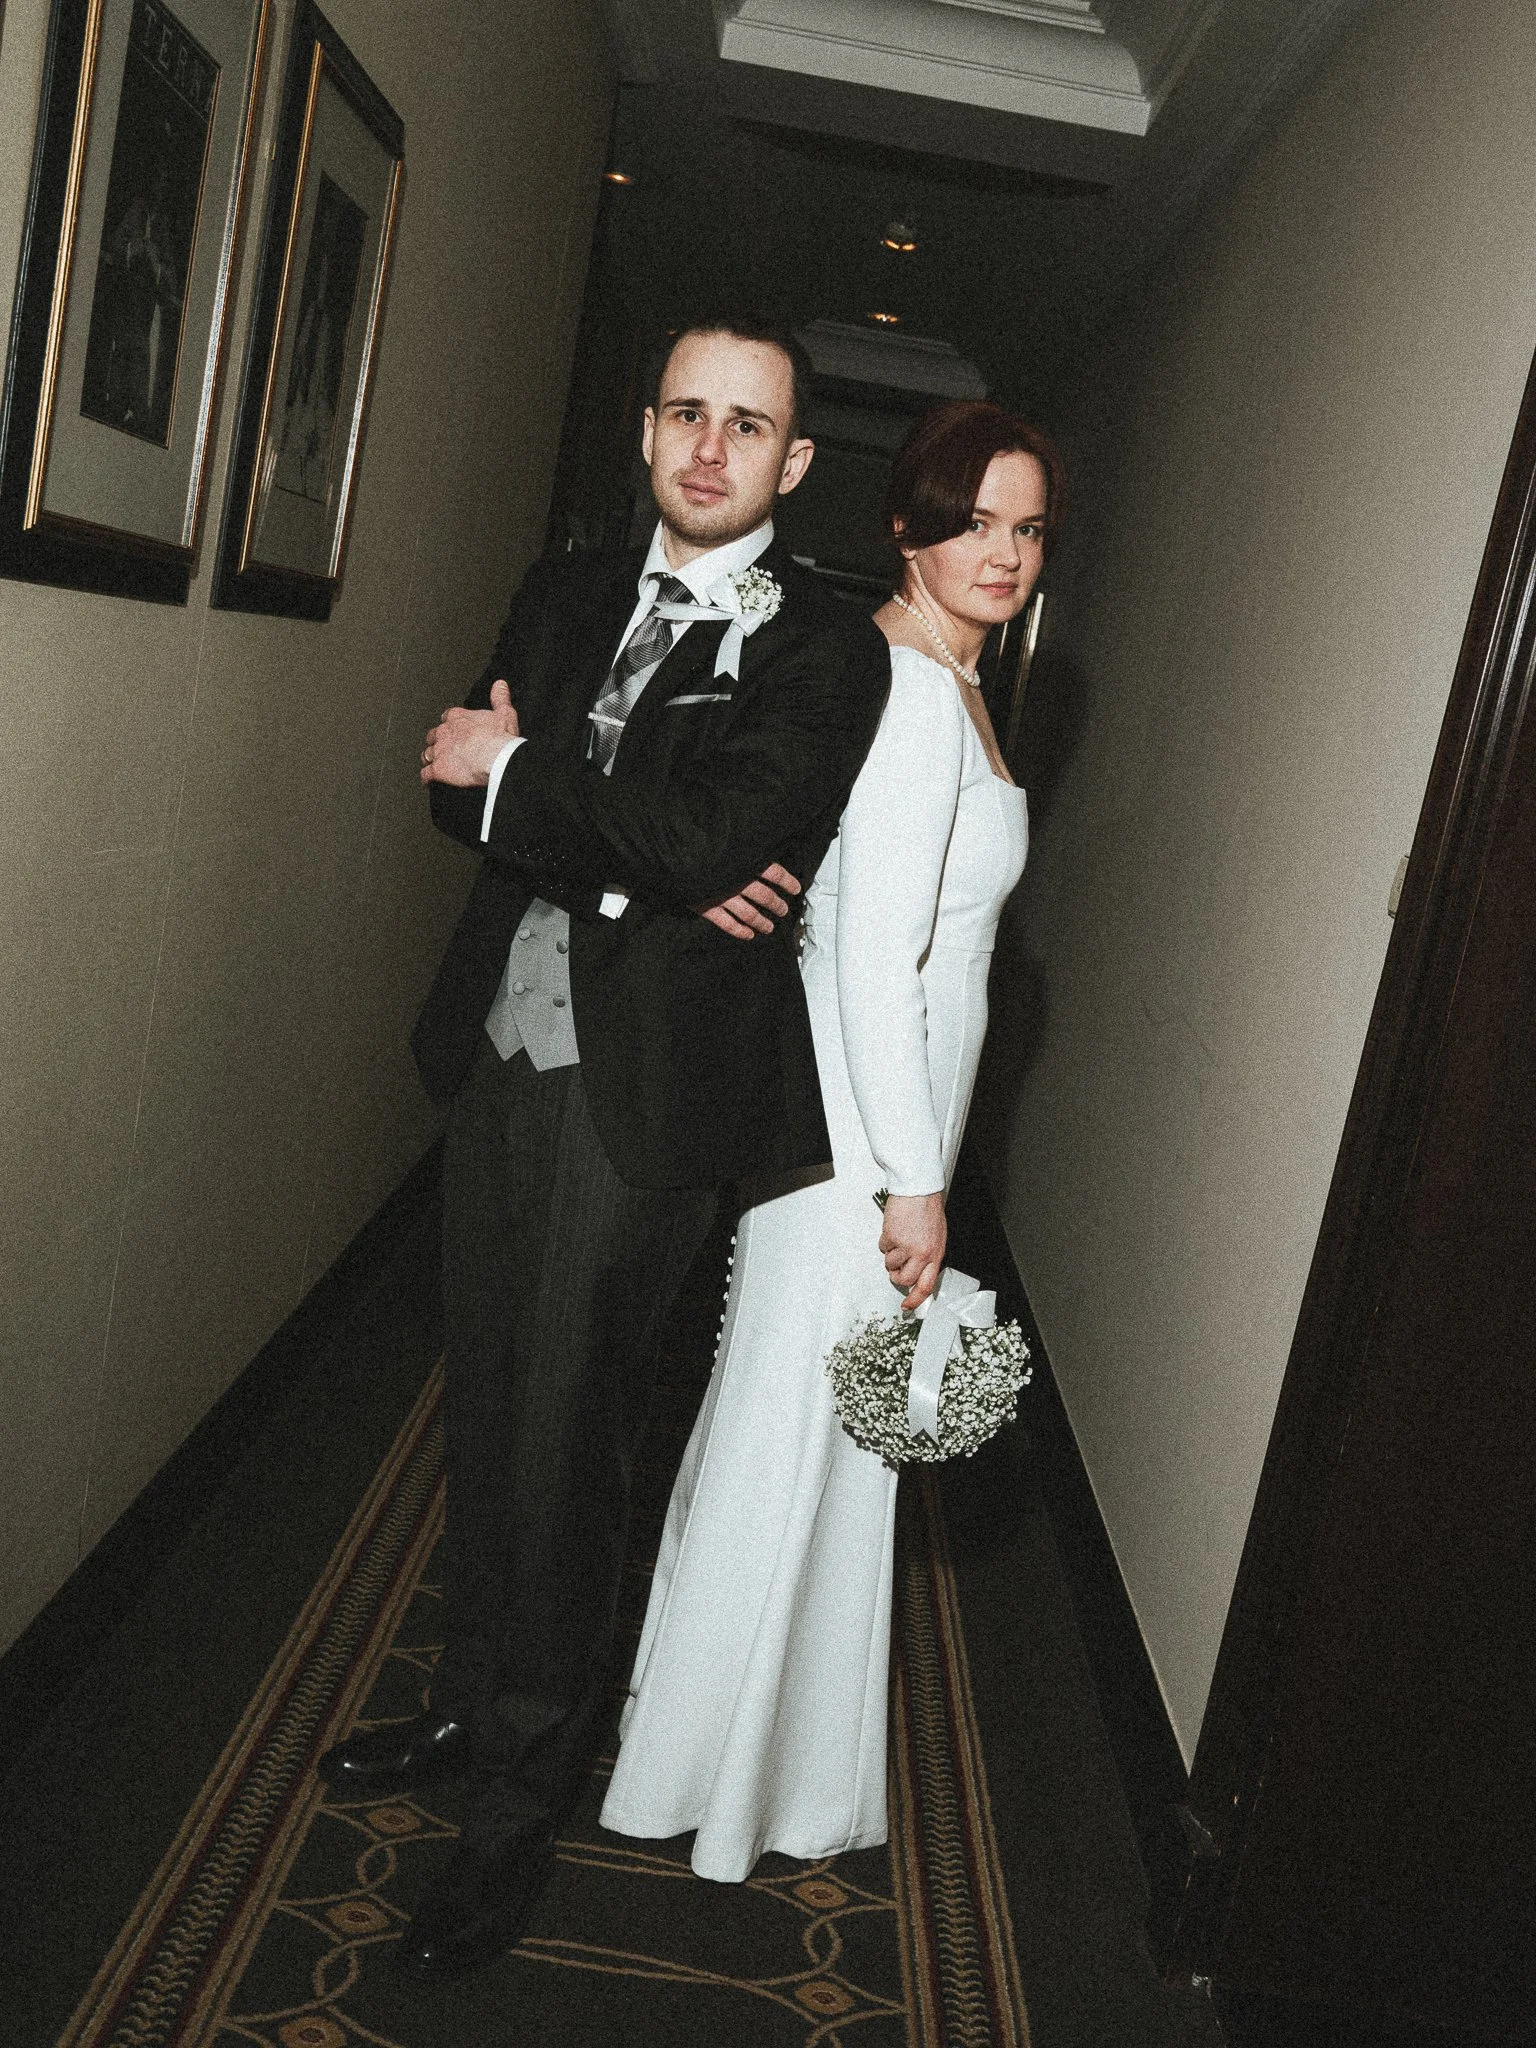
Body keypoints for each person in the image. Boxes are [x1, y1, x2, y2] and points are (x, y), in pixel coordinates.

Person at [316, 317, 890, 1977]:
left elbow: (705, 832)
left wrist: (548, 794)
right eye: (687, 414)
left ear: (793, 464)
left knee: (568, 1449)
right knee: (486, 1402)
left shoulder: (821, 653)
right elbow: (454, 787)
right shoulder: (565, 592)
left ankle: (507, 1825)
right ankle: (456, 1707)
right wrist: (635, 858)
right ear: (649, 430)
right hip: (500, 1053)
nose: (712, 449)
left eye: (750, 426)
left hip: (637, 1105)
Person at [599, 399, 1065, 1880]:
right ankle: (710, 1784)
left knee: (812, 1446)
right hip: (862, 1153)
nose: (1002, 553)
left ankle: (741, 1772)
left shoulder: (952, 681)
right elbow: (873, 965)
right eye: (974, 520)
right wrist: (914, 1187)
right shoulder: (914, 692)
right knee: (791, 1444)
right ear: (906, 525)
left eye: (1029, 527)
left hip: (878, 1133)